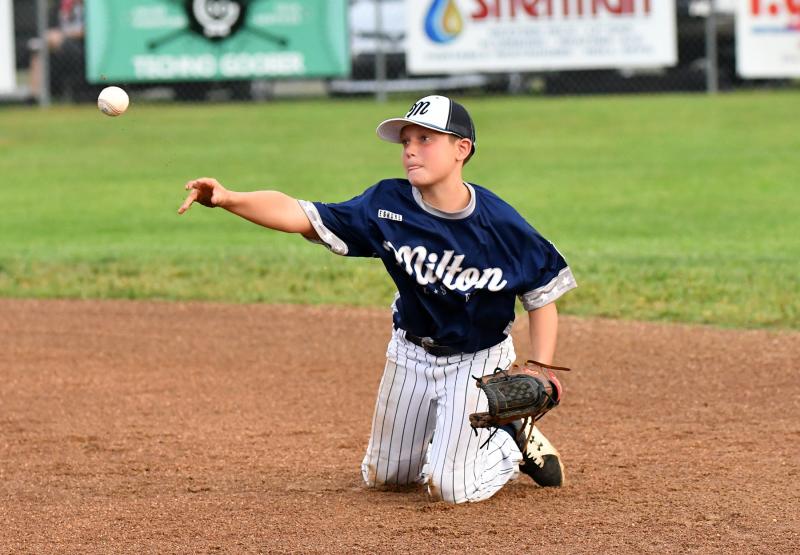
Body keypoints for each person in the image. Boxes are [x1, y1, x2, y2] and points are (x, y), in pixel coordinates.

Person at [177, 95, 578, 504]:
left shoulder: (500, 225)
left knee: (451, 488)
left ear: (462, 149)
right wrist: (227, 199)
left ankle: (510, 438)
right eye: (406, 140)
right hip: (411, 355)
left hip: (477, 360)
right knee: (387, 478)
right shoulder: (387, 204)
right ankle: (459, 441)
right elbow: (301, 213)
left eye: (425, 138)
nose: (410, 149)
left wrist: (540, 365)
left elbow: (542, 290)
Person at [28, 0, 86, 99]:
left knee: (51, 41)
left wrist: (63, 35)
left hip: (81, 45)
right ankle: (34, 96)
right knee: (38, 50)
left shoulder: (92, 6)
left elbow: (92, 30)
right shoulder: (60, 6)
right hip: (59, 45)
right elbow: (50, 29)